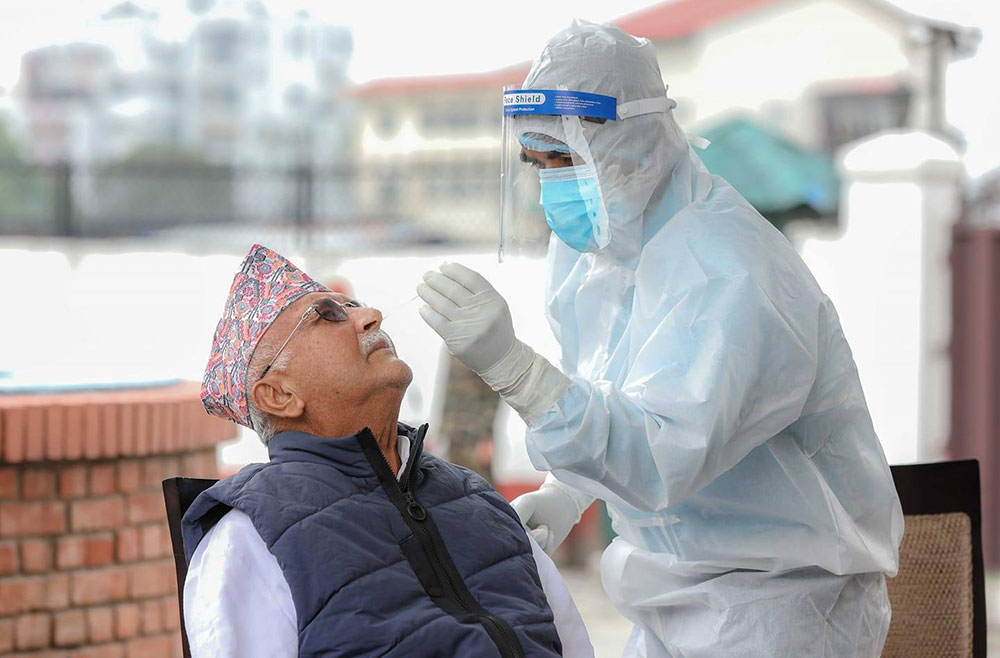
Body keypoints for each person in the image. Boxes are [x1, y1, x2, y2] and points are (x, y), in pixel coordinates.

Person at [417, 21, 903, 657]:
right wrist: (569, 491)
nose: (550, 184)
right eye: (537, 163)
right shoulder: (597, 253)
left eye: (566, 159)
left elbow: (659, 456)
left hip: (778, 608)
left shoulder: (729, 269)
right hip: (664, 594)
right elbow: (613, 395)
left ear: (638, 140)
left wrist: (514, 369)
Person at [183, 244, 593, 657]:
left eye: (354, 304)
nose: (371, 315)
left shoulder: (476, 496)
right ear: (279, 394)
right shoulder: (250, 538)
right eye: (327, 315)